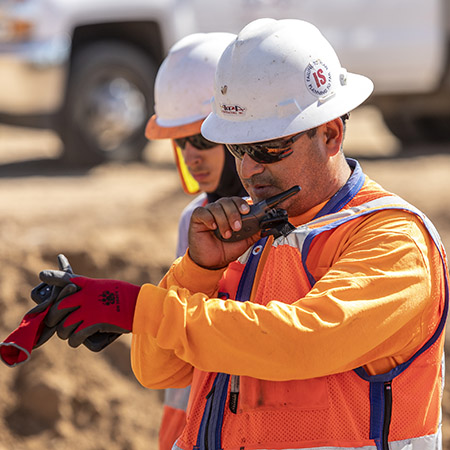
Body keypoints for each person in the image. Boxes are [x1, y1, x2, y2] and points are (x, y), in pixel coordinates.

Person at [36, 18, 448, 450]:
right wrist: (197, 270)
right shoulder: (257, 235)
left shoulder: (394, 239)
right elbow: (157, 370)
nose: (249, 169)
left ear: (330, 134)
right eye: (237, 149)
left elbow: (300, 342)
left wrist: (138, 307)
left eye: (268, 148)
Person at [144, 32, 246, 450]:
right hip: (195, 420)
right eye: (181, 142)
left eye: (202, 140)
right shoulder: (193, 219)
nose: (191, 155)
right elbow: (182, 341)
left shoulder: (287, 221)